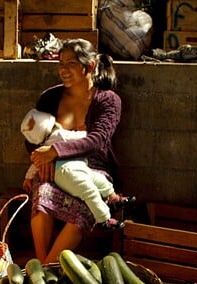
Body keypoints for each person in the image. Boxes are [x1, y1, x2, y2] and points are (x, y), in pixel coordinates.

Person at [25, 38, 133, 264]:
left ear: (90, 66)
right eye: (61, 63)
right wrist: (41, 158)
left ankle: (44, 269)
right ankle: (41, 266)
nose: (63, 70)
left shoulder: (108, 100)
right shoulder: (50, 97)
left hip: (93, 168)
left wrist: (54, 151)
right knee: (43, 193)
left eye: (71, 64)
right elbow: (31, 135)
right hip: (53, 166)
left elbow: (97, 140)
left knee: (85, 205)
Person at [21, 107, 134, 232]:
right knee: (90, 191)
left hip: (73, 170)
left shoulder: (43, 146)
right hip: (68, 172)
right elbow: (86, 138)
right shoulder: (61, 134)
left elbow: (35, 164)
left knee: (97, 181)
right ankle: (104, 219)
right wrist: (86, 129)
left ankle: (113, 199)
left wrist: (28, 178)